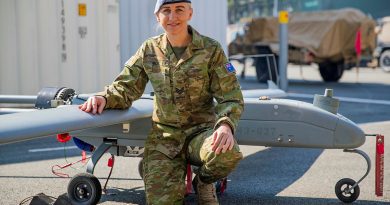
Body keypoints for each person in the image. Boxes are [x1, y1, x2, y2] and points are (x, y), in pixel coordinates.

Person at [79, 0, 244, 204]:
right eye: (166, 11)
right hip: (165, 138)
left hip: (200, 134)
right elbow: (126, 86)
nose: (173, 17)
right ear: (158, 16)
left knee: (228, 152)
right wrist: (104, 97)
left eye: (179, 10)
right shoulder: (149, 49)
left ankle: (203, 182)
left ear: (190, 13)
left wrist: (226, 125)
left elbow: (230, 95)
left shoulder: (211, 50)